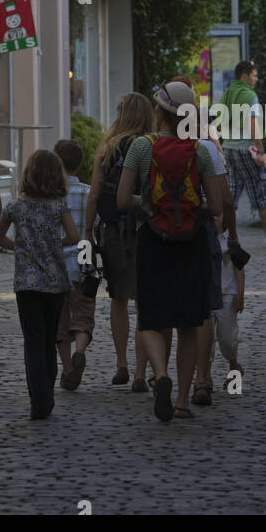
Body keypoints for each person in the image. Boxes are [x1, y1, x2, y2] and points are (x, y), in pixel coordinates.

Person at [116, 81, 222, 422]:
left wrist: (149, 203)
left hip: (152, 240)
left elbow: (121, 200)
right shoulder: (201, 151)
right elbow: (217, 206)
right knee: (189, 323)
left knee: (150, 318)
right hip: (191, 243)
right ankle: (181, 404)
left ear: (159, 111)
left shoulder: (141, 148)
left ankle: (160, 374)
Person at [169, 74, 241, 408]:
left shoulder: (151, 144)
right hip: (204, 234)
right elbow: (223, 201)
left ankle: (162, 374)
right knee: (205, 308)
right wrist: (231, 233)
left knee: (179, 310)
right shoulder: (208, 146)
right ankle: (201, 379)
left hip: (166, 237)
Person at [0, 150, 79, 420]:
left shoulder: (16, 206)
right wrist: (53, 245)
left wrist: (19, 247)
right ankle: (47, 394)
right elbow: (74, 236)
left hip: (27, 283)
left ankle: (38, 399)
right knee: (50, 338)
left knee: (33, 341)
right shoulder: (59, 205)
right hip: (54, 282)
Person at [84, 93, 156, 391]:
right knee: (146, 301)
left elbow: (94, 193)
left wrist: (87, 232)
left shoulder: (108, 147)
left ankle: (121, 363)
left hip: (113, 231)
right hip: (147, 229)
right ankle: (141, 371)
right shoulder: (152, 146)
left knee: (118, 298)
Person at [219, 61, 266, 244]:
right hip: (246, 150)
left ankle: (218, 234)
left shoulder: (227, 94)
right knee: (262, 187)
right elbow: (253, 126)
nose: (256, 79)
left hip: (229, 149)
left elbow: (219, 123)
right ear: (244, 75)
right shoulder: (249, 95)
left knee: (230, 194)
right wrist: (260, 151)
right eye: (254, 75)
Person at [53, 139, 95, 391]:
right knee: (83, 316)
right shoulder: (89, 193)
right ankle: (81, 349)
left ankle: (68, 367)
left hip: (57, 268)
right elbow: (96, 227)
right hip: (83, 265)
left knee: (60, 321)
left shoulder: (52, 195)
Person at [213, 222, 245, 386]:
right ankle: (204, 378)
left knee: (227, 338)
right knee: (205, 339)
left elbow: (240, 267)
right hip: (206, 295)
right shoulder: (201, 236)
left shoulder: (231, 240)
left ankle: (234, 366)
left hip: (227, 294)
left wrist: (240, 292)